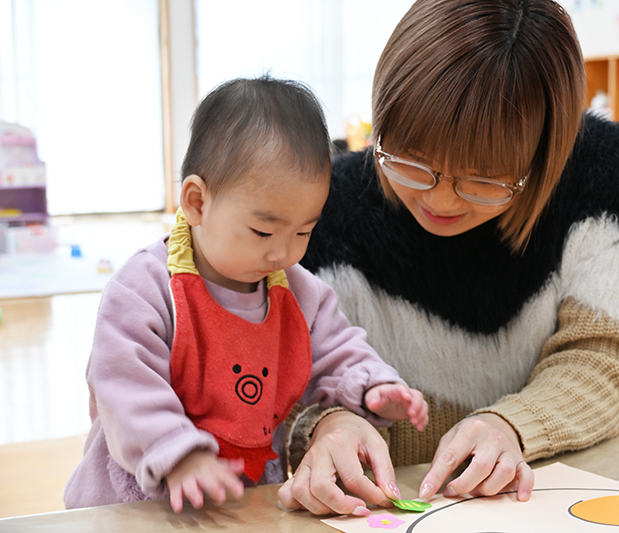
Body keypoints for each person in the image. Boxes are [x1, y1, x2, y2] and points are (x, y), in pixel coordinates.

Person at [279, 0, 619, 517]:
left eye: (484, 179)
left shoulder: (603, 174)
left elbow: (611, 357)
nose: (440, 201)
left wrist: (513, 425)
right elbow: (272, 378)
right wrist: (326, 426)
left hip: (541, 505)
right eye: (411, 162)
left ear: (546, 153)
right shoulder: (319, 208)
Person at [63, 74, 428, 513]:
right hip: (136, 504)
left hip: (244, 499)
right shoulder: (145, 288)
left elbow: (338, 349)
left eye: (303, 232)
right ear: (197, 202)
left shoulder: (298, 292)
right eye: (262, 231)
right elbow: (123, 383)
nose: (283, 252)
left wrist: (372, 385)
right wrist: (178, 453)